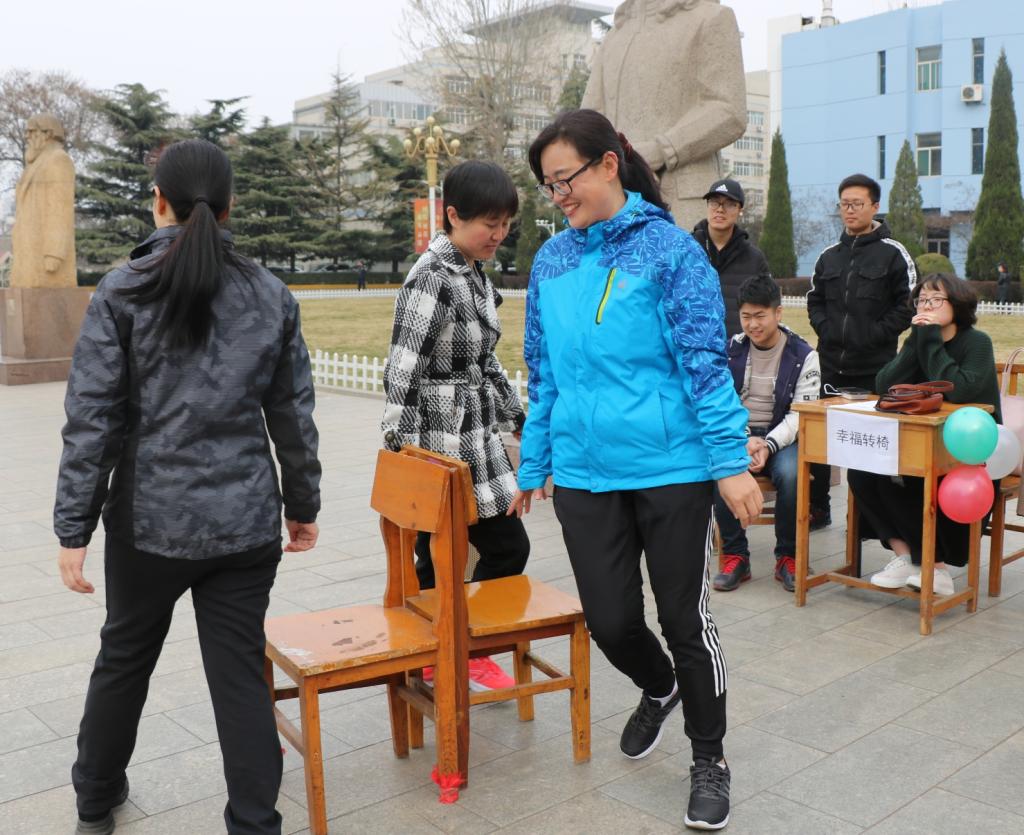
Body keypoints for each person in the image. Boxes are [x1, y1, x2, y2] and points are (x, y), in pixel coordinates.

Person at [54, 139, 322, 835]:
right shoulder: (270, 294)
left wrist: (73, 528)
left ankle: (94, 802)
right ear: (230, 207)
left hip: (150, 524)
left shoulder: (124, 290)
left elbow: (93, 419)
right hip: (244, 524)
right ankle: (255, 822)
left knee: (124, 658)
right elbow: (292, 416)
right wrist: (302, 505)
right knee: (238, 674)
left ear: (159, 202)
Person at [510, 109, 763, 832]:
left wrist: (728, 463)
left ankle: (709, 758)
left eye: (565, 178)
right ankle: (659, 687)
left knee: (684, 618)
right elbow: (543, 373)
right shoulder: (552, 262)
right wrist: (534, 461)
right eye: (548, 185)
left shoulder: (669, 252)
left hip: (671, 467)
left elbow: (705, 367)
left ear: (608, 165)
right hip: (584, 475)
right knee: (612, 621)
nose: (558, 194)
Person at [381, 159, 529, 692]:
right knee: (443, 555)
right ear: (453, 216)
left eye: (505, 223)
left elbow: (485, 363)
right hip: (438, 442)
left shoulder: (472, 273)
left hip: (474, 435)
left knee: (498, 548)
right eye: (489, 223)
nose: (499, 234)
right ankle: (447, 651)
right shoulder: (433, 278)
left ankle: (460, 647)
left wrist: (518, 418)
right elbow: (403, 367)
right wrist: (402, 450)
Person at [849, 273, 1000, 596]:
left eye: (936, 300)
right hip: (920, 442)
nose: (926, 306)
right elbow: (884, 384)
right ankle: (908, 558)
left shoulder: (977, 342)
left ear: (957, 304)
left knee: (909, 477)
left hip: (969, 453)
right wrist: (915, 342)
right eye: (921, 300)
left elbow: (959, 389)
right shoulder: (919, 339)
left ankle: (936, 566)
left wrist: (929, 339)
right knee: (861, 471)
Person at [806, 173, 915, 530]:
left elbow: (908, 305)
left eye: (857, 204)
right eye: (844, 204)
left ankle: (868, 520)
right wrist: (826, 329)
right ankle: (818, 507)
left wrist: (874, 335)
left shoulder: (894, 253)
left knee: (870, 446)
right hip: (830, 366)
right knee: (820, 442)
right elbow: (814, 300)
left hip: (874, 368)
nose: (849, 210)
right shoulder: (829, 256)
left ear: (874, 206)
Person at [713, 275, 820, 593]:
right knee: (721, 465)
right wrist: (744, 439)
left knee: (791, 474)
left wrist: (768, 444)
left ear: (778, 312)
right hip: (740, 434)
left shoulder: (804, 355)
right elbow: (722, 402)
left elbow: (801, 414)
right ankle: (735, 555)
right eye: (746, 316)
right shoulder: (730, 351)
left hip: (783, 437)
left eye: (760, 315)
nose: (752, 324)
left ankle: (788, 555)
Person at [691, 178, 772, 338]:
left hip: (739, 348)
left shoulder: (754, 259)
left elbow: (767, 309)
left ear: (740, 209)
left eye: (729, 204)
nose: (720, 209)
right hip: (693, 345)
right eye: (714, 202)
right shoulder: (686, 250)